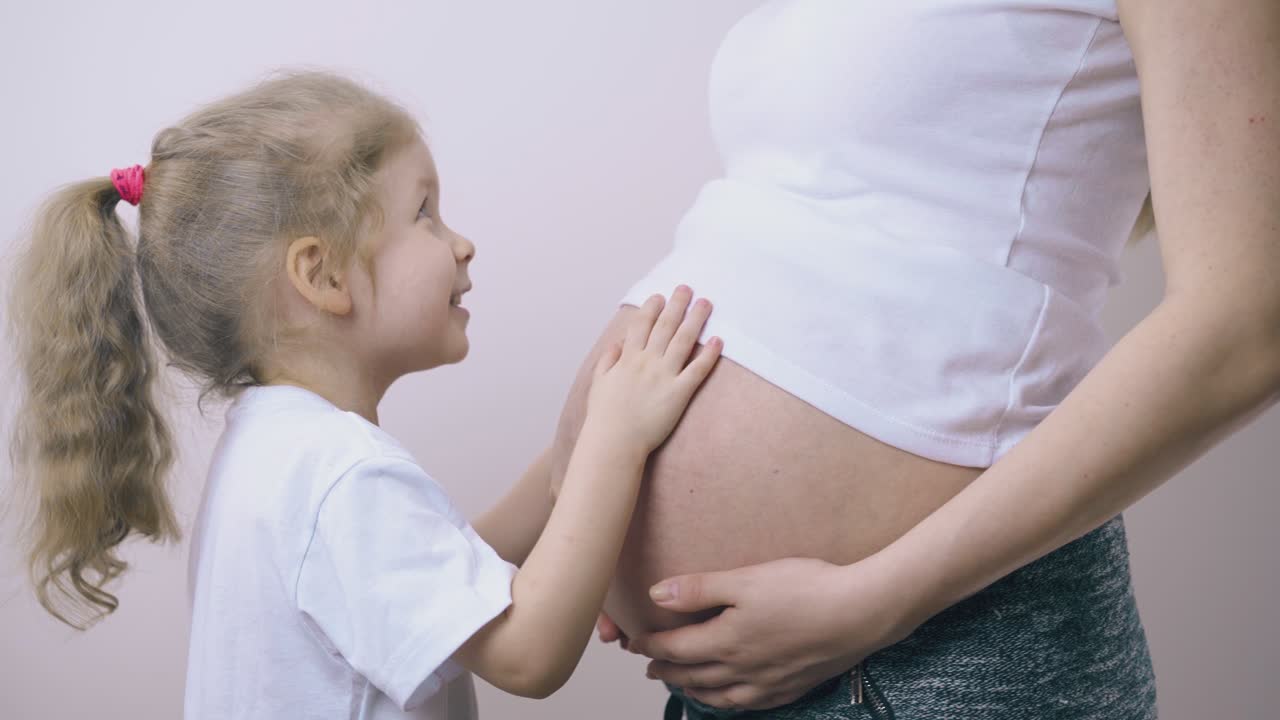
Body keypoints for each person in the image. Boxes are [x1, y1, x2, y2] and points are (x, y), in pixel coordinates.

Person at [548, 1, 1280, 717]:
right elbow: (732, 292)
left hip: (928, 654)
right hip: (746, 675)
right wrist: (527, 538)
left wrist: (875, 601)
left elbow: (1246, 324)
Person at [6, 70, 723, 719]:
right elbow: (529, 653)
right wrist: (615, 443)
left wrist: (571, 460)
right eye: (424, 214)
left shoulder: (277, 453)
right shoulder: (338, 473)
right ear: (322, 276)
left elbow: (440, 570)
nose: (461, 243)